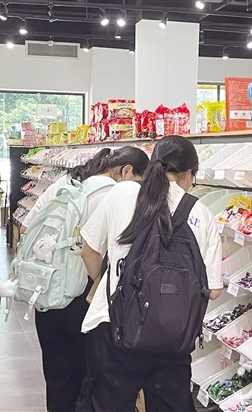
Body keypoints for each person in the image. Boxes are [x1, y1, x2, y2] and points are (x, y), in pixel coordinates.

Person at [77, 136, 223, 412]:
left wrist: (111, 286)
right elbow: (213, 290)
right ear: (188, 172)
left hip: (115, 328)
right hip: (173, 338)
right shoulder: (199, 212)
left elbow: (89, 252)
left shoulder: (122, 193)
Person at [25, 147, 149, 412]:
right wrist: (101, 285)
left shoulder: (64, 183)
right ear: (126, 171)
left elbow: (26, 227)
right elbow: (95, 252)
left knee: (57, 376)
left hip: (46, 291)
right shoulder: (114, 194)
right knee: (89, 376)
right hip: (83, 298)